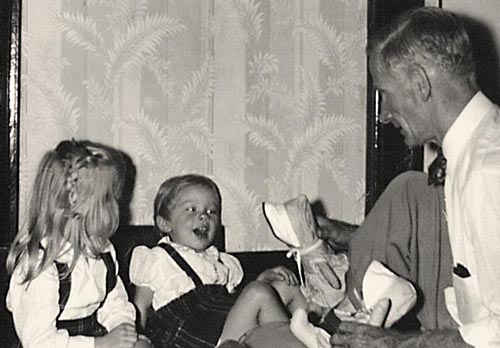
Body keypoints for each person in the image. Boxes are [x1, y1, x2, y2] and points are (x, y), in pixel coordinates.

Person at [318, 6, 500, 348]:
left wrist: (395, 344)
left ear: (419, 83)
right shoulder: (470, 155)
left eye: (385, 93)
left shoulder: (488, 171)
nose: (384, 115)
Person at [130, 174, 307, 347]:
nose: (204, 216)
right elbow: (140, 308)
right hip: (193, 337)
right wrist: (139, 340)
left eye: (212, 211)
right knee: (258, 292)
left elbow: (235, 302)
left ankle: (314, 332)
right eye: (192, 209)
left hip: (227, 332)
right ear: (164, 223)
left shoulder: (221, 262)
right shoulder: (156, 258)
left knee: (285, 285)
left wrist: (262, 279)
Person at [6, 139, 150, 348]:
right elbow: (38, 342)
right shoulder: (41, 264)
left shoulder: (102, 250)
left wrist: (124, 330)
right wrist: (101, 344)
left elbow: (114, 301)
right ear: (75, 205)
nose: (119, 208)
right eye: (110, 199)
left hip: (96, 338)